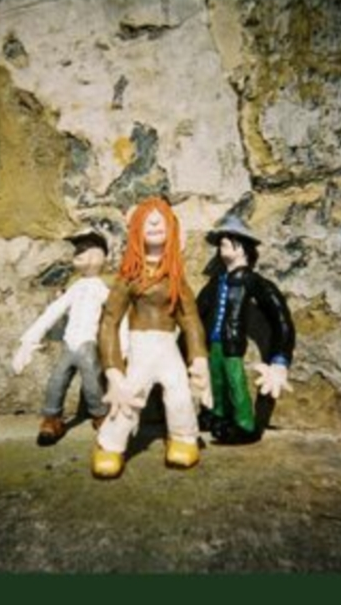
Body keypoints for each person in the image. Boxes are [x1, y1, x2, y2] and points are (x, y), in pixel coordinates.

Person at [91, 197, 212, 479]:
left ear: (172, 227)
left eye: (161, 218)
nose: (155, 222)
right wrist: (113, 369)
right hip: (141, 347)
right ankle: (110, 444)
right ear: (136, 229)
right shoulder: (129, 276)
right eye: (147, 219)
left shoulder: (175, 277)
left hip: (168, 348)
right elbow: (109, 321)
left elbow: (190, 318)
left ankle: (183, 437)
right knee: (129, 396)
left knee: (180, 394)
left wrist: (199, 358)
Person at [196, 215, 296, 445]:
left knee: (235, 381)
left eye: (228, 240)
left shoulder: (251, 280)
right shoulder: (216, 282)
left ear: (243, 249)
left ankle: (245, 424)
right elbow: (196, 312)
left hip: (232, 344)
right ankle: (218, 415)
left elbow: (280, 317)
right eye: (221, 241)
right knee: (216, 380)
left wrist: (280, 359)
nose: (222, 243)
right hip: (213, 343)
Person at [12, 229, 111, 446]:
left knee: (93, 383)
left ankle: (101, 416)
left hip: (88, 344)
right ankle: (52, 419)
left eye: (88, 249)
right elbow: (52, 312)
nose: (81, 254)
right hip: (69, 346)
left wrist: (126, 345)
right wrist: (29, 340)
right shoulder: (75, 289)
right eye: (79, 251)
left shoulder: (101, 288)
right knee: (57, 380)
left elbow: (116, 315)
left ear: (101, 256)